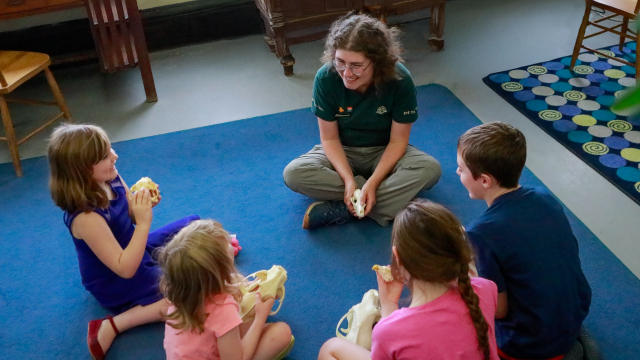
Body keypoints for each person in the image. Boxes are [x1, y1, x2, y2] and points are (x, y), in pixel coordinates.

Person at [48, 124, 200, 360]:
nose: (114, 157)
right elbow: (125, 268)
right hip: (114, 277)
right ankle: (113, 325)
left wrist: (142, 203)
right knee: (182, 294)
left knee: (195, 224)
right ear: (84, 170)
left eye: (111, 149)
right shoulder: (86, 217)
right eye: (105, 156)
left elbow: (128, 214)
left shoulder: (110, 176)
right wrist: (144, 222)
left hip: (135, 248)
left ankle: (175, 260)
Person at [283, 12, 442, 230]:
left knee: (429, 170)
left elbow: (398, 141)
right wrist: (350, 181)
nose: (346, 73)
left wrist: (374, 181)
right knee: (294, 174)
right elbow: (329, 139)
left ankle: (345, 209)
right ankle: (388, 203)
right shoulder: (326, 77)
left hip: (383, 151)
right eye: (340, 62)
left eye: (357, 65)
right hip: (343, 150)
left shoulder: (400, 79)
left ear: (377, 62)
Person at [456, 122, 592, 360]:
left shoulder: (481, 233)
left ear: (485, 180)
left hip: (527, 344)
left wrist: (465, 269)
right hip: (575, 312)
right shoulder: (544, 196)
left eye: (461, 169)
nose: (457, 173)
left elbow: (498, 310)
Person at [318, 199, 500, 360]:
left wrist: (388, 305)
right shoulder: (486, 288)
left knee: (331, 348)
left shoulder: (390, 332)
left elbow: (394, 338)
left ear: (398, 256)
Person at [158, 219, 294, 360]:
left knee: (237, 280)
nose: (230, 241)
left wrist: (249, 288)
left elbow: (228, 287)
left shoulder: (181, 290)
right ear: (220, 270)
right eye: (227, 243)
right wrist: (261, 317)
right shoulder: (223, 308)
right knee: (281, 333)